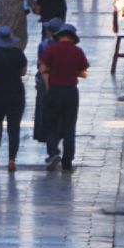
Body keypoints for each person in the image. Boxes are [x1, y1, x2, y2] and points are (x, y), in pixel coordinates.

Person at [38, 23, 89, 171]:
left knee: (50, 124)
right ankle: (67, 163)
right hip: (71, 92)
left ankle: (53, 152)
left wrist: (48, 87)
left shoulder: (51, 49)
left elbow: (43, 69)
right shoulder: (77, 51)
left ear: (59, 36)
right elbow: (84, 72)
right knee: (69, 127)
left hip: (54, 91)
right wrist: (74, 72)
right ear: (72, 38)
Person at [0, 25, 29, 170]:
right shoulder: (19, 54)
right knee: (14, 128)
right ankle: (11, 160)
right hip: (15, 94)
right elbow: (23, 73)